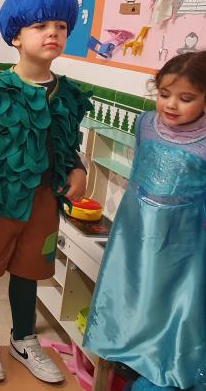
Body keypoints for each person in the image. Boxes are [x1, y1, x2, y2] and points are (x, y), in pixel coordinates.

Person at [0, 0, 92, 384]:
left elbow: (67, 143)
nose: (52, 32)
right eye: (40, 24)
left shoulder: (69, 94)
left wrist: (77, 168)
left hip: (44, 201)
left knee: (28, 270)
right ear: (16, 35)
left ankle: (24, 338)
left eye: (60, 24)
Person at [84, 51, 206, 390]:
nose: (171, 105)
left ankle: (161, 365)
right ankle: (123, 353)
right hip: (134, 232)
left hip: (182, 242)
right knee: (129, 294)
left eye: (186, 99)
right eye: (164, 94)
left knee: (172, 305)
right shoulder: (145, 123)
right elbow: (139, 167)